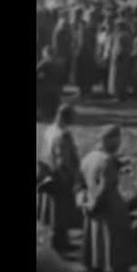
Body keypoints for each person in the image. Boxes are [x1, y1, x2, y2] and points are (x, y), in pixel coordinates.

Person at [79, 125, 135, 272]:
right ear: (110, 140)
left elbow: (83, 181)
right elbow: (105, 186)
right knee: (117, 242)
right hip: (109, 206)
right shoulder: (107, 160)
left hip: (91, 203)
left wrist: (87, 203)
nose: (119, 143)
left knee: (94, 242)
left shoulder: (89, 157)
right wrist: (96, 203)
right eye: (117, 140)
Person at [37, 104, 82, 254]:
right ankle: (60, 243)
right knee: (61, 211)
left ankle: (57, 240)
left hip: (48, 172)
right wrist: (72, 176)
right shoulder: (63, 134)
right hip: (61, 176)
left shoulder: (50, 130)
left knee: (51, 211)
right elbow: (64, 159)